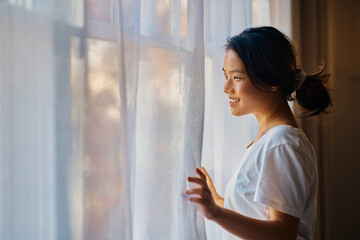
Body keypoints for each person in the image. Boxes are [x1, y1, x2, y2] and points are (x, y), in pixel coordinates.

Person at [185, 26, 332, 240]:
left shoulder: (282, 144)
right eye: (226, 75)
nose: (226, 87)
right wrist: (214, 199)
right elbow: (252, 214)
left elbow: (283, 232)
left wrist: (216, 213)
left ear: (272, 82)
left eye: (236, 77)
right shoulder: (270, 141)